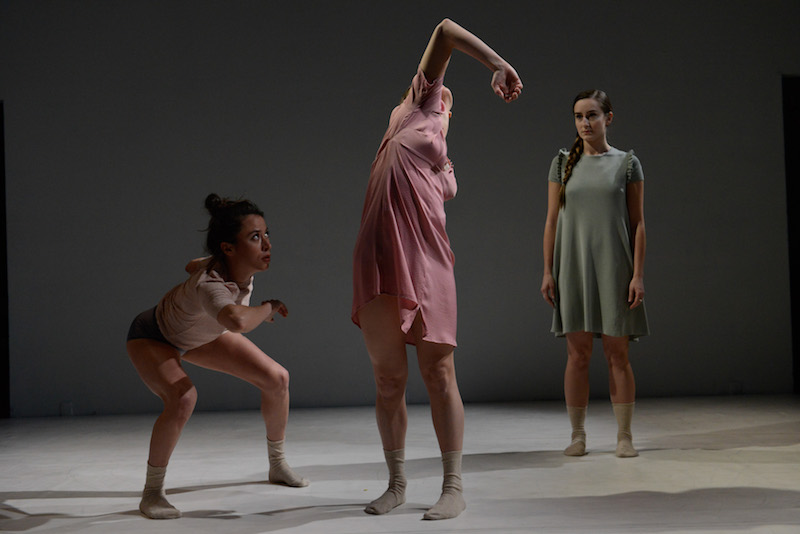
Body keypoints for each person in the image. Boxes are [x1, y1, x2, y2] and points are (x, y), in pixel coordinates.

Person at [352, 18, 522, 520]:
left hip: (427, 259)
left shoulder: (444, 167)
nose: (445, 106)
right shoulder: (412, 113)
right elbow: (445, 30)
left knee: (438, 370)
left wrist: (445, 165)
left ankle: (453, 485)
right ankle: (397, 483)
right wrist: (498, 63)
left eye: (449, 106)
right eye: (440, 98)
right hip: (379, 256)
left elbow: (443, 189)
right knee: (388, 379)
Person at [126, 194, 308, 519]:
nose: (266, 243)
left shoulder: (232, 267)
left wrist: (200, 266)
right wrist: (268, 307)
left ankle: (278, 465)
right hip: (153, 335)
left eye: (267, 234)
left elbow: (191, 267)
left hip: (199, 336)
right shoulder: (211, 285)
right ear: (228, 248)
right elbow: (237, 322)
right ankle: (152, 493)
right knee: (183, 398)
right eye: (255, 237)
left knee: (277, 379)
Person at [540, 90, 649, 458]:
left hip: (615, 268)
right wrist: (548, 271)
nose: (584, 123)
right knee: (578, 355)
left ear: (608, 118)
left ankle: (624, 436)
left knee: (618, 354)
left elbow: (638, 224)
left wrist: (637, 275)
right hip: (573, 268)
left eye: (592, 115)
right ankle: (578, 435)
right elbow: (552, 221)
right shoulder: (561, 164)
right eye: (578, 116)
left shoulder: (627, 163)